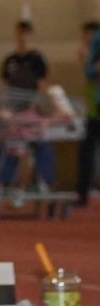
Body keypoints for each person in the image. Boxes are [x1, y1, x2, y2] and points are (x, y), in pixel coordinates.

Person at [77, 19, 100, 206]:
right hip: (92, 111)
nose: (84, 38)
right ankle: (83, 194)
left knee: (88, 153)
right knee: (86, 153)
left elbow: (94, 72)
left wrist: (88, 65)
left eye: (87, 34)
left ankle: (83, 194)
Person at [1, 20, 48, 92]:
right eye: (19, 33)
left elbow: (41, 83)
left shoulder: (37, 58)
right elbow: (5, 82)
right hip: (14, 100)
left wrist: (34, 102)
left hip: (32, 100)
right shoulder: (10, 59)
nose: (22, 36)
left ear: (30, 35)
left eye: (24, 32)